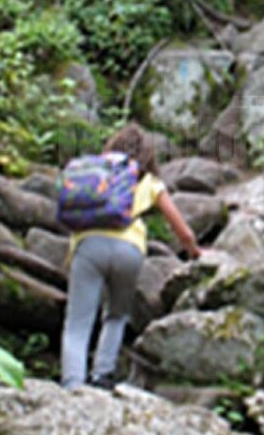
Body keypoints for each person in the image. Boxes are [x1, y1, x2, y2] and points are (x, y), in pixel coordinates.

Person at [59, 122, 202, 391]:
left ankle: (73, 384)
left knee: (78, 323)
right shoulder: (148, 180)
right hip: (129, 251)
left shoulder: (94, 174)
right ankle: (103, 374)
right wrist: (194, 251)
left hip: (88, 247)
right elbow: (181, 228)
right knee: (116, 314)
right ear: (147, 154)